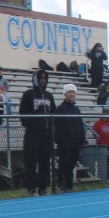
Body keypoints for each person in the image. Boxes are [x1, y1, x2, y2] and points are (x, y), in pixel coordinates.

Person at [19, 68, 56, 196]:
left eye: (45, 78)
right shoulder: (28, 94)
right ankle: (31, 188)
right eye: (41, 78)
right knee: (31, 162)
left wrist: (50, 127)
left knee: (45, 162)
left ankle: (43, 188)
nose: (43, 80)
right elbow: (22, 113)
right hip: (32, 134)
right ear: (36, 79)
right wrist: (33, 126)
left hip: (46, 135)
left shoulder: (49, 95)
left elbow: (53, 113)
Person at [54, 83, 86, 191]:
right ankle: (63, 183)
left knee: (72, 163)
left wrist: (82, 138)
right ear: (65, 94)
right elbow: (58, 126)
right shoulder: (60, 108)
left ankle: (68, 185)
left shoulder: (76, 109)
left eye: (73, 92)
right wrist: (61, 139)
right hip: (65, 142)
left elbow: (80, 124)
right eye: (69, 92)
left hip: (75, 141)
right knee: (64, 163)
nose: (72, 94)